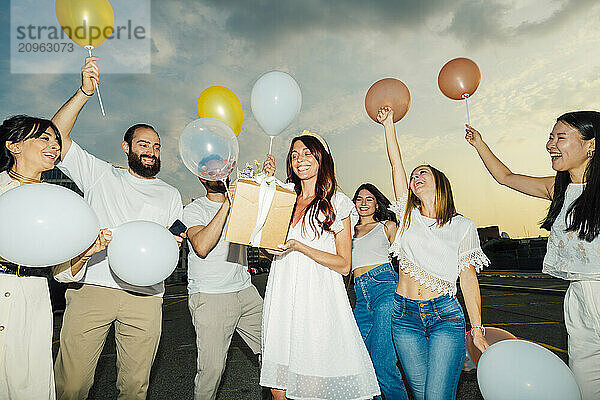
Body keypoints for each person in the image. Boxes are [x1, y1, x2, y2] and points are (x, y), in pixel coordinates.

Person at [51, 57, 184, 400]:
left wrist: (176, 242)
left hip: (147, 297)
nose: (151, 151)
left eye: (156, 146)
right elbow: (56, 137)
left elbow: (173, 244)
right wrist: (84, 92)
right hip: (93, 290)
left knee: (135, 387)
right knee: (72, 385)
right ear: (126, 148)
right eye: (143, 144)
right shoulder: (101, 175)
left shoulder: (171, 194)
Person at [465, 112, 599, 399]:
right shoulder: (558, 189)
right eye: (551, 137)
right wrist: (479, 144)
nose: (550, 144)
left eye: (560, 137)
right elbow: (506, 177)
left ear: (591, 145)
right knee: (587, 387)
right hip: (577, 298)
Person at [379, 107, 489, 400]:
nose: (415, 176)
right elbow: (395, 163)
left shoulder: (462, 226)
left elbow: (467, 280)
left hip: (445, 317)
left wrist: (476, 329)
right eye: (414, 175)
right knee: (422, 393)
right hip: (403, 317)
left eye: (422, 173)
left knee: (437, 396)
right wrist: (389, 124)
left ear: (439, 182)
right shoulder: (406, 215)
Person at [260, 131, 380, 400]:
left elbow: (344, 264)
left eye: (306, 153)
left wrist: (299, 246)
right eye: (294, 155)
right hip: (281, 296)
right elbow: (271, 250)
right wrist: (268, 250)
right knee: (278, 386)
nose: (300, 159)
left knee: (310, 387)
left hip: (316, 302)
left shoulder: (337, 202)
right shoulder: (285, 199)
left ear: (321, 158)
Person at [0, 115, 110, 399]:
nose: (54, 146)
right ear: (14, 145)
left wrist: (86, 254)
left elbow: (62, 272)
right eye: (44, 138)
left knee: (30, 382)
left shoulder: (59, 202)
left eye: (57, 142)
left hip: (34, 297)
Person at [183, 161, 272, 400]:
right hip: (211, 296)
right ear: (202, 179)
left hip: (245, 291)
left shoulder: (242, 205)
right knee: (211, 370)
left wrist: (267, 183)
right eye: (210, 172)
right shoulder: (195, 209)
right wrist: (227, 205)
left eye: (221, 170)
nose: (217, 175)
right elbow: (201, 246)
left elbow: (264, 243)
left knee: (275, 350)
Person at [351, 183, 408, 399]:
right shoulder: (348, 230)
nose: (363, 203)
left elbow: (405, 261)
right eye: (359, 199)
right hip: (360, 297)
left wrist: (405, 293)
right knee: (359, 361)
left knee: (383, 363)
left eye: (369, 199)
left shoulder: (387, 225)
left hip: (384, 288)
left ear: (376, 204)